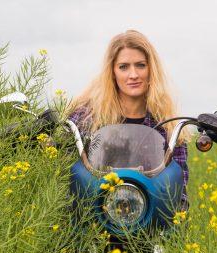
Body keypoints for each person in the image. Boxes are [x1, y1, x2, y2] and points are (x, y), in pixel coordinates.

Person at [68, 29, 190, 210]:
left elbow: (178, 187)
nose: (133, 75)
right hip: (94, 217)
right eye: (123, 67)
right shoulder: (86, 117)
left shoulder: (168, 125)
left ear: (151, 69)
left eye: (140, 65)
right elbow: (67, 175)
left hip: (150, 220)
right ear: (112, 72)